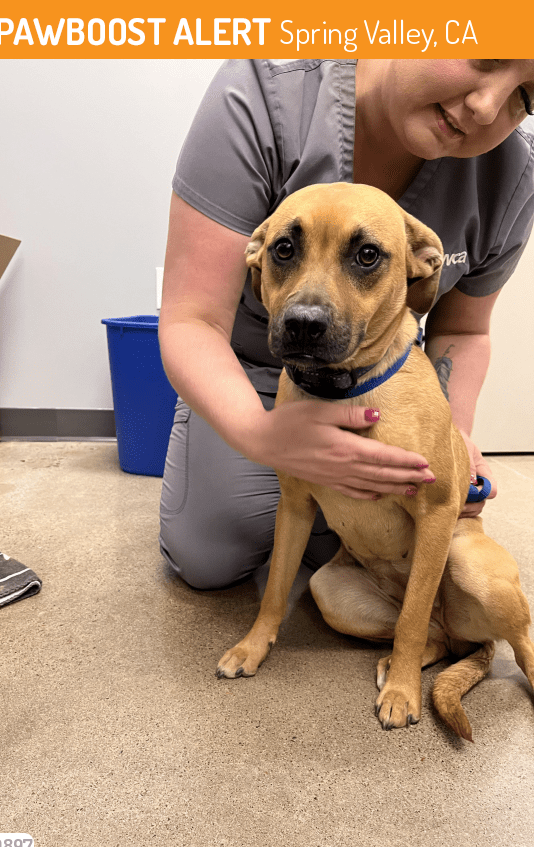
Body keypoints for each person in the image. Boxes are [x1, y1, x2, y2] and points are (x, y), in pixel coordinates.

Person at [158, 59, 534, 590]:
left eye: (526, 96)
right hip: (256, 368)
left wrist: (454, 432)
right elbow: (191, 317)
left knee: (412, 520)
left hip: (382, 374)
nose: (487, 106)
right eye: (486, 57)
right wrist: (257, 433)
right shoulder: (263, 93)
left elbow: (465, 332)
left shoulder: (513, 174)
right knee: (211, 554)